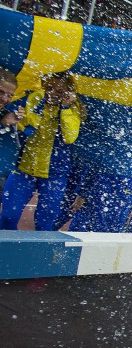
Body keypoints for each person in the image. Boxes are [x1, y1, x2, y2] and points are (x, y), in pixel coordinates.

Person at [0, 72, 85, 230]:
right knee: (8, 215)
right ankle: (5, 251)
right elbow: (24, 125)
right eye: (49, 88)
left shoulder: (72, 109)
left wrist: (65, 109)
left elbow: (70, 137)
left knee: (45, 222)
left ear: (68, 93)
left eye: (59, 91)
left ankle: (39, 254)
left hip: (55, 174)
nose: (52, 94)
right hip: (23, 169)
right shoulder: (33, 99)